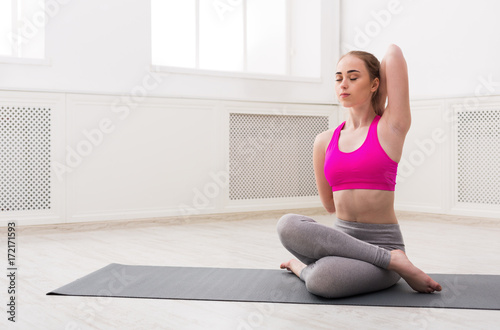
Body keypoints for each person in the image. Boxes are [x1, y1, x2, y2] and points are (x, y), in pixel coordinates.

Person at [277, 44, 442, 298]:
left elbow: (393, 54)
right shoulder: (323, 141)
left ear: (375, 84)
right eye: (339, 78)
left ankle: (307, 268)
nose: (344, 84)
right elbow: (330, 206)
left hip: (384, 242)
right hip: (343, 243)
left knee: (323, 281)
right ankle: (393, 261)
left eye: (354, 78)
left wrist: (380, 95)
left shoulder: (390, 128)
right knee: (286, 224)